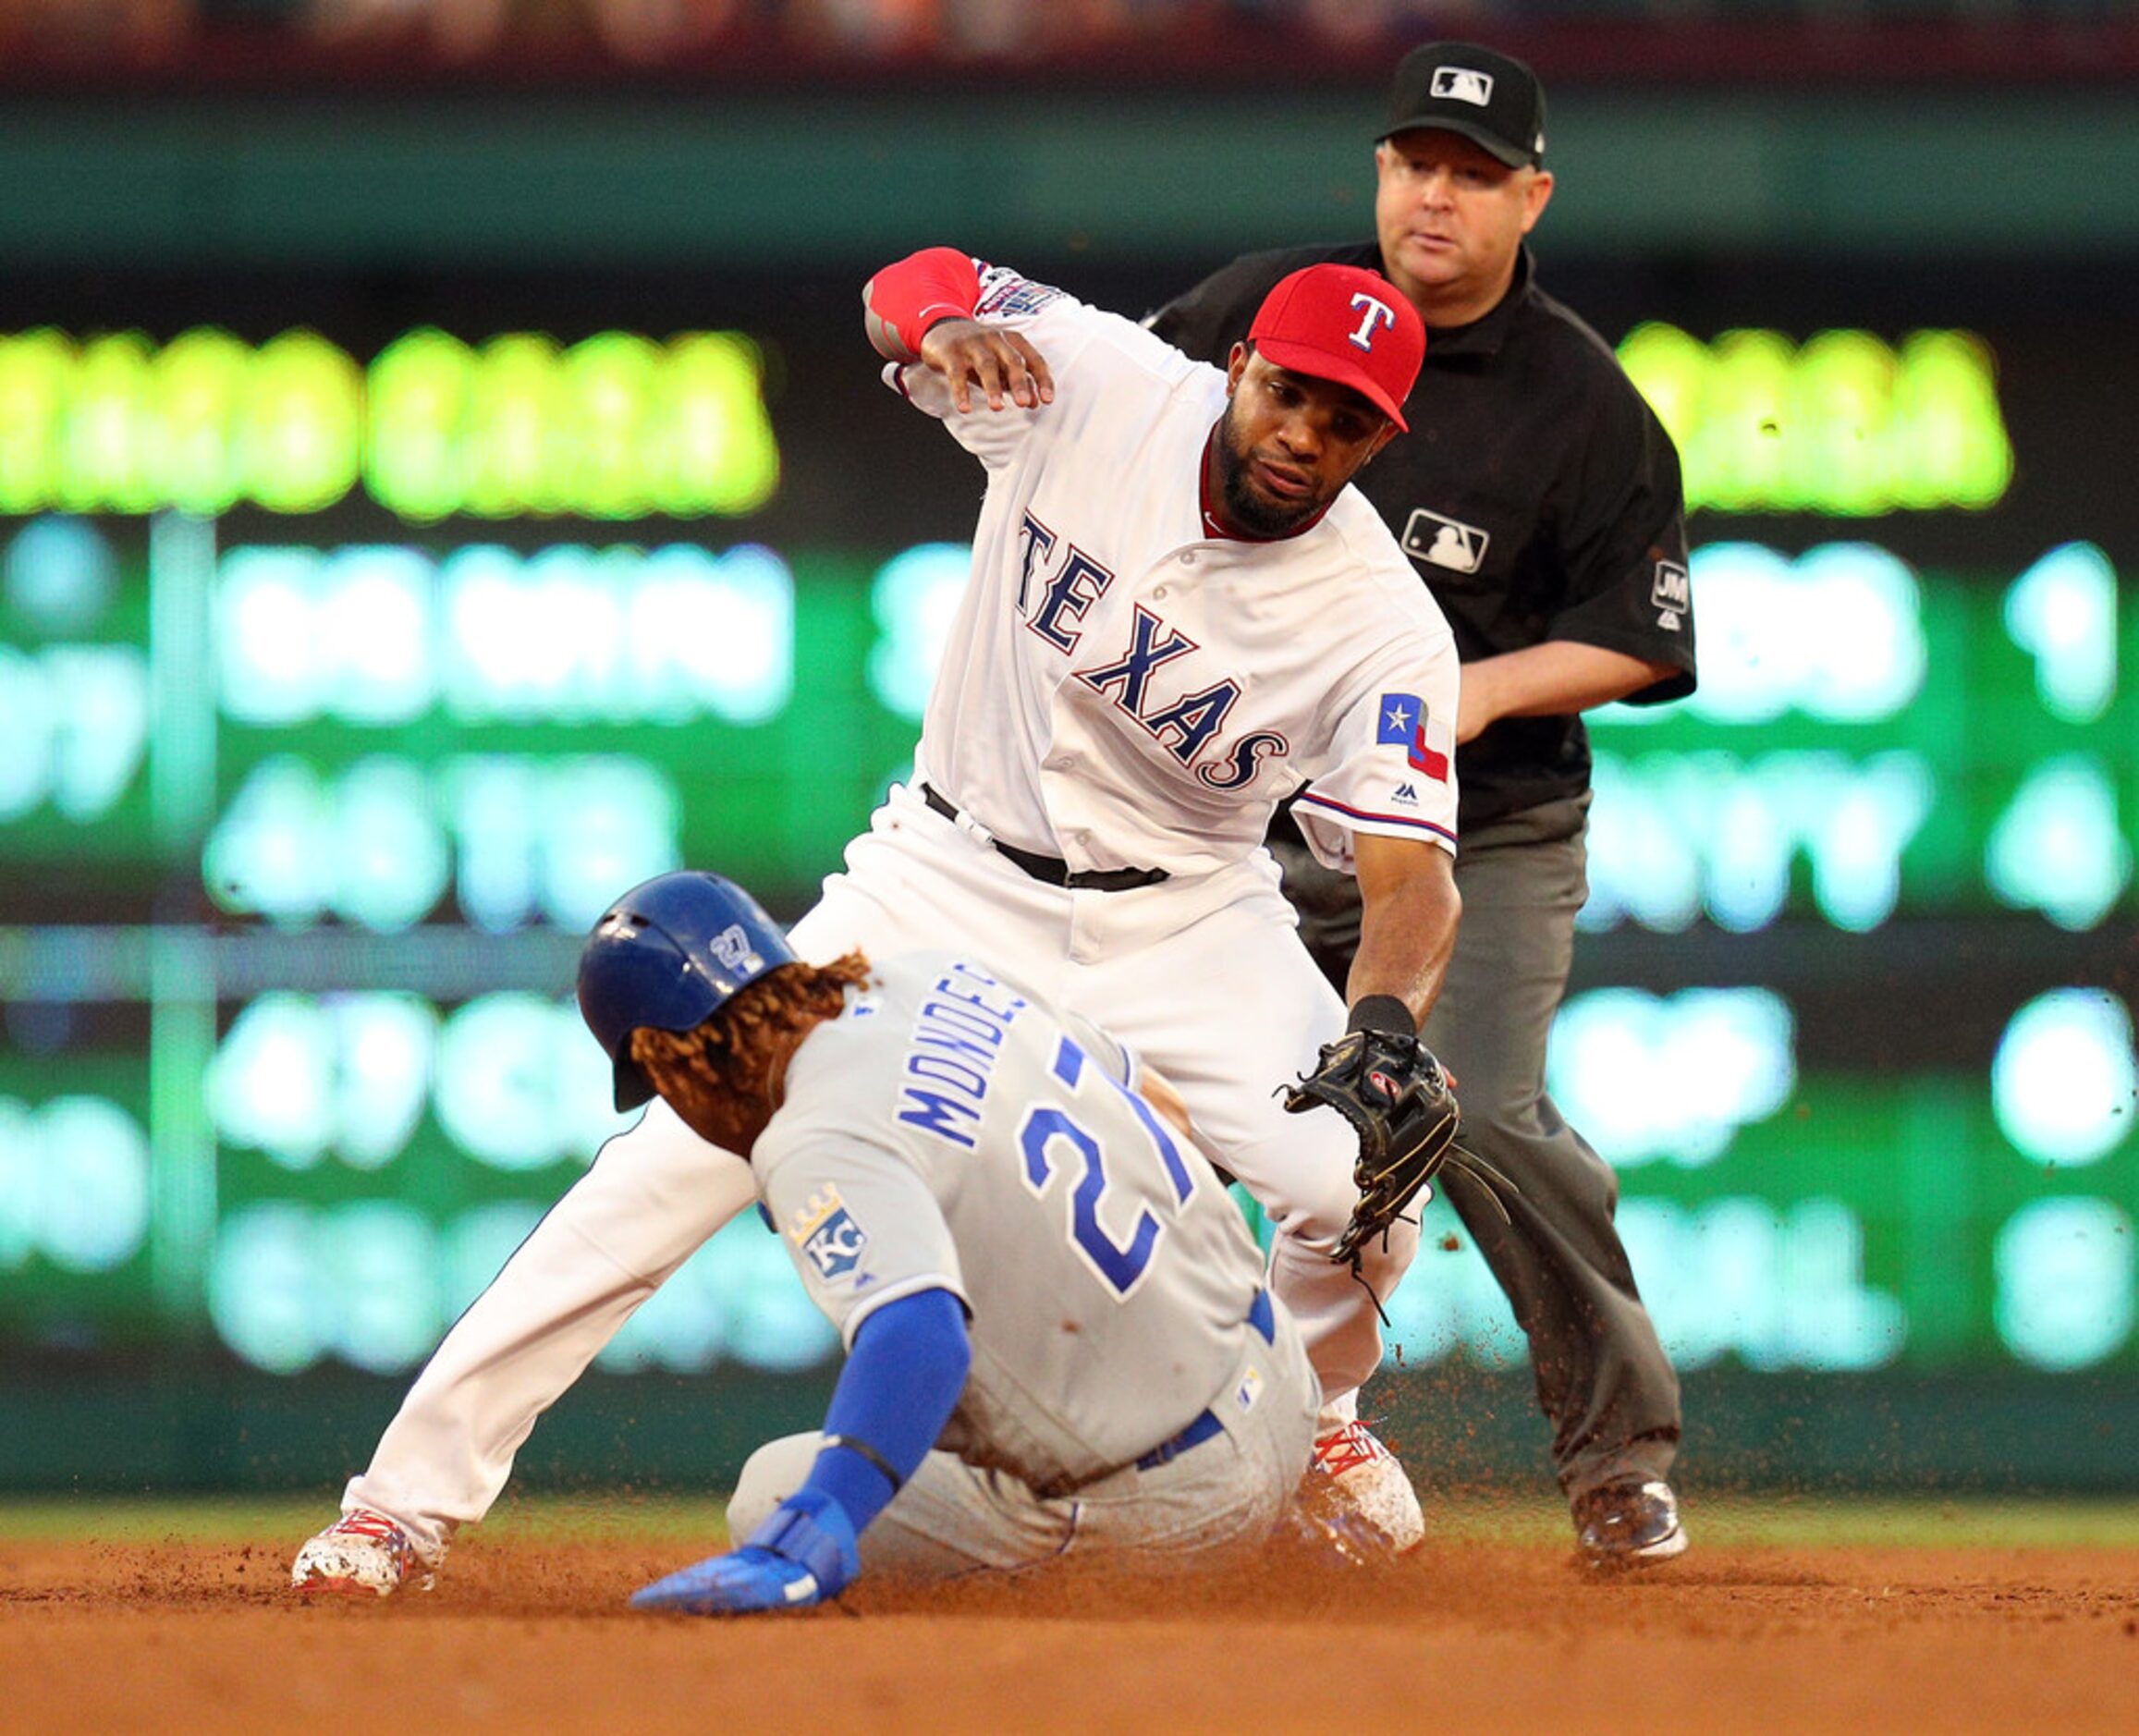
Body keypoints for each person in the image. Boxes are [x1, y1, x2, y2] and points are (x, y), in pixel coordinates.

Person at [287, 250, 1464, 1595]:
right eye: (1293, 394)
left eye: (1348, 419)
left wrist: (1379, 1020)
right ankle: (399, 1506)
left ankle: (1312, 1412)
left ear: (1380, 437)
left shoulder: (1381, 621)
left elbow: (1409, 877)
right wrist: (946, 322)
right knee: (669, 1162)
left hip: (1186, 915)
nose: (1308, 435)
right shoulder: (1102, 379)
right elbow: (911, 277)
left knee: (1360, 1167)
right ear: (1241, 363)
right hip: (943, 874)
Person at [1146, 40, 1700, 1567]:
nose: (1432, 195)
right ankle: (1207, 1436)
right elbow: (1120, 450)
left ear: (1530, 195)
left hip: (1483, 821)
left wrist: (1476, 687)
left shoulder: (1575, 400)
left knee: (1469, 1109)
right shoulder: (1264, 311)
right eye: (1411, 162)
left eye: (1469, 172)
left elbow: (1647, 632)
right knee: (1138, 1105)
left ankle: (1616, 1461)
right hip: (1246, 814)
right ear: (1377, 173)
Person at [294, 871, 1323, 1604]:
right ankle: (1313, 1480)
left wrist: (821, 1524)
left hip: (1180, 1511)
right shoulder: (941, 979)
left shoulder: (812, 1132)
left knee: (772, 1493)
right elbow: (1165, 1116)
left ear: (667, 1056)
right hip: (1284, 1390)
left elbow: (918, 1337)